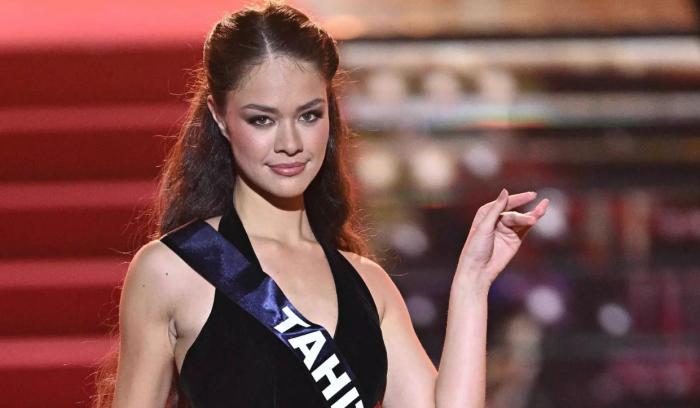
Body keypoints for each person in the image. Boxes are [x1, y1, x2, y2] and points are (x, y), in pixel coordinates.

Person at [92, 2, 549, 407]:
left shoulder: (369, 285)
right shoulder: (173, 270)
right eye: (262, 120)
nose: (290, 143)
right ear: (220, 117)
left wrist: (472, 282)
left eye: (309, 115)